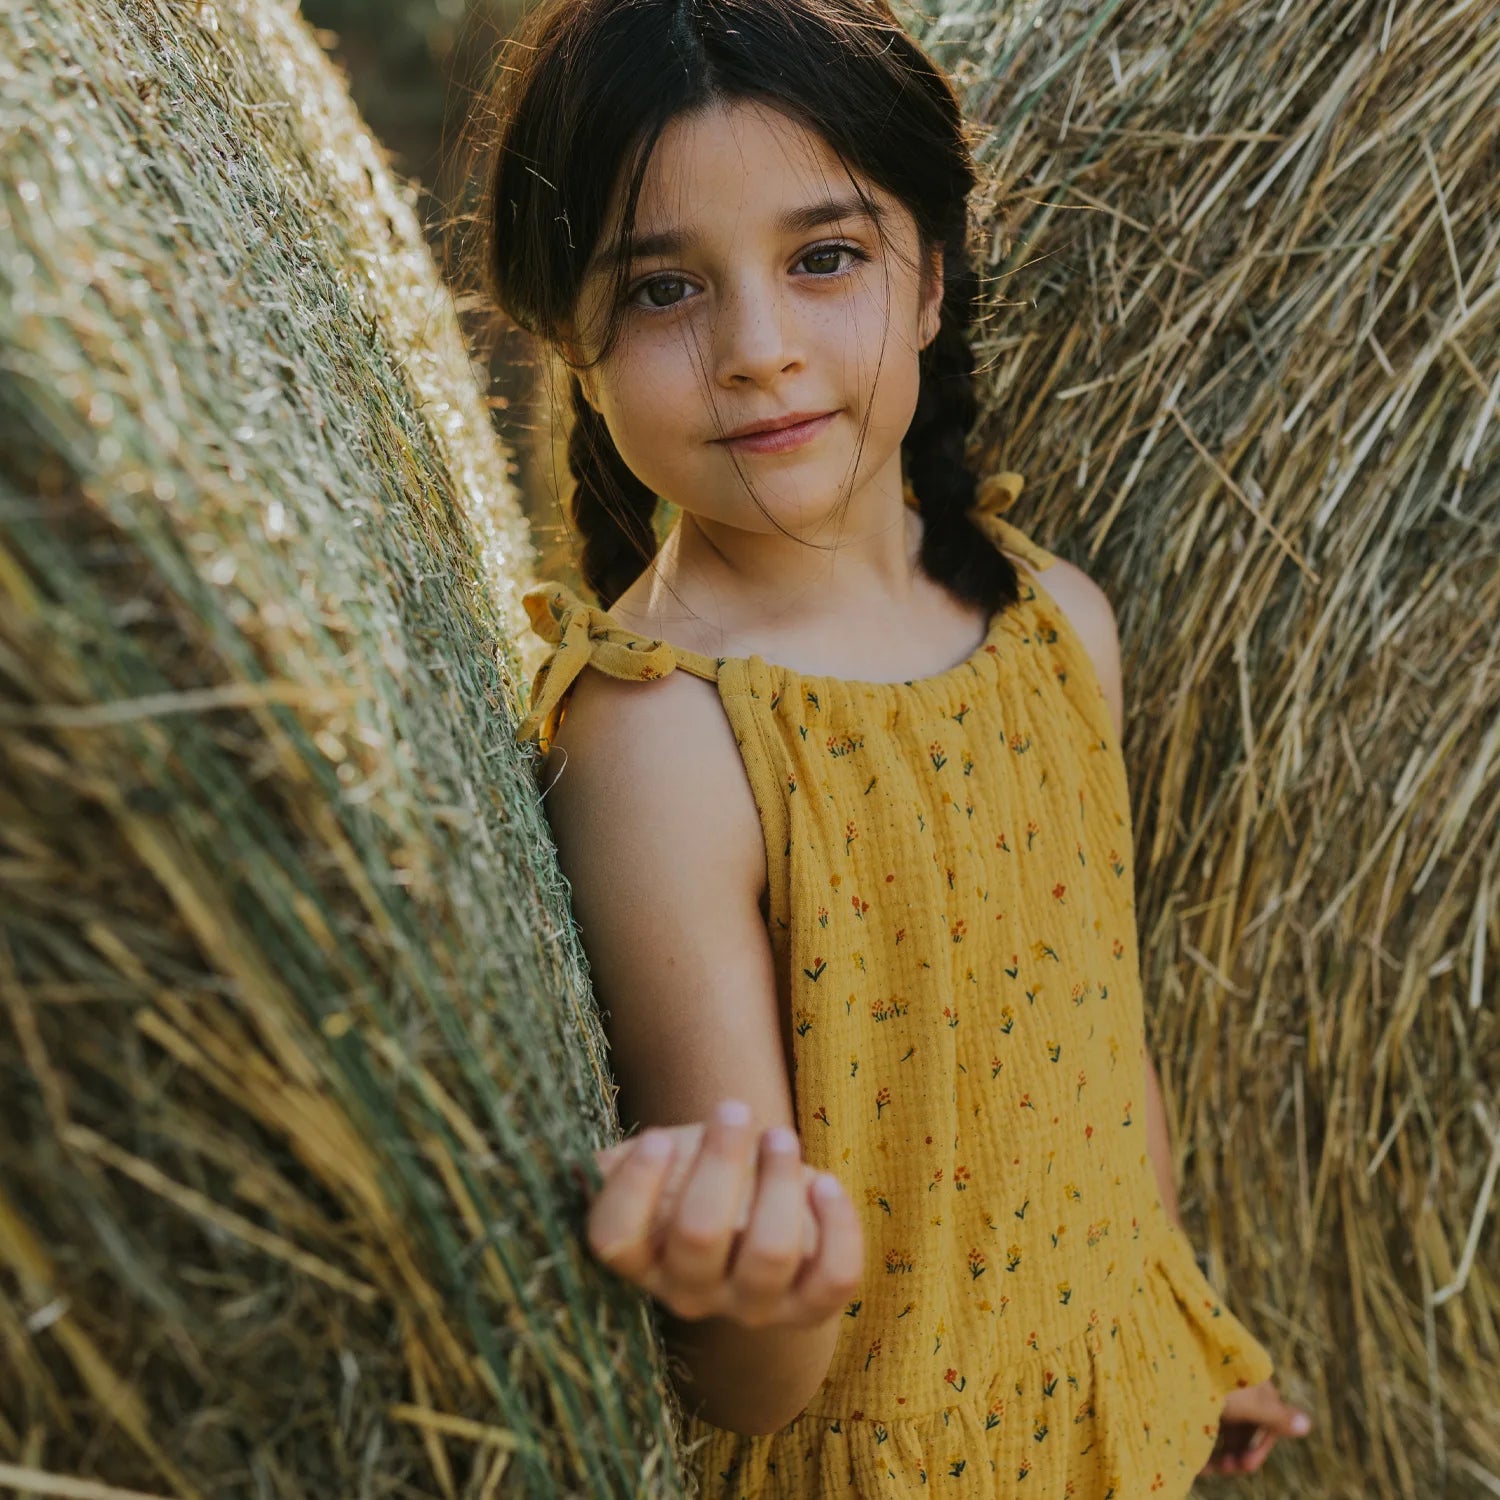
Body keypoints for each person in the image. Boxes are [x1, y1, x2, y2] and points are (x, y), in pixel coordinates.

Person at [487, 0, 1313, 1490]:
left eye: (825, 258)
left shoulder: (1059, 623)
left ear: (933, 274)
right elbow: (753, 1379)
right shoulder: (661, 738)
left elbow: (1101, 1058)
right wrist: (751, 1288)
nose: (759, 350)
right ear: (571, 341)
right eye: (664, 288)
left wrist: (1172, 1330)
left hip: (1115, 1411)